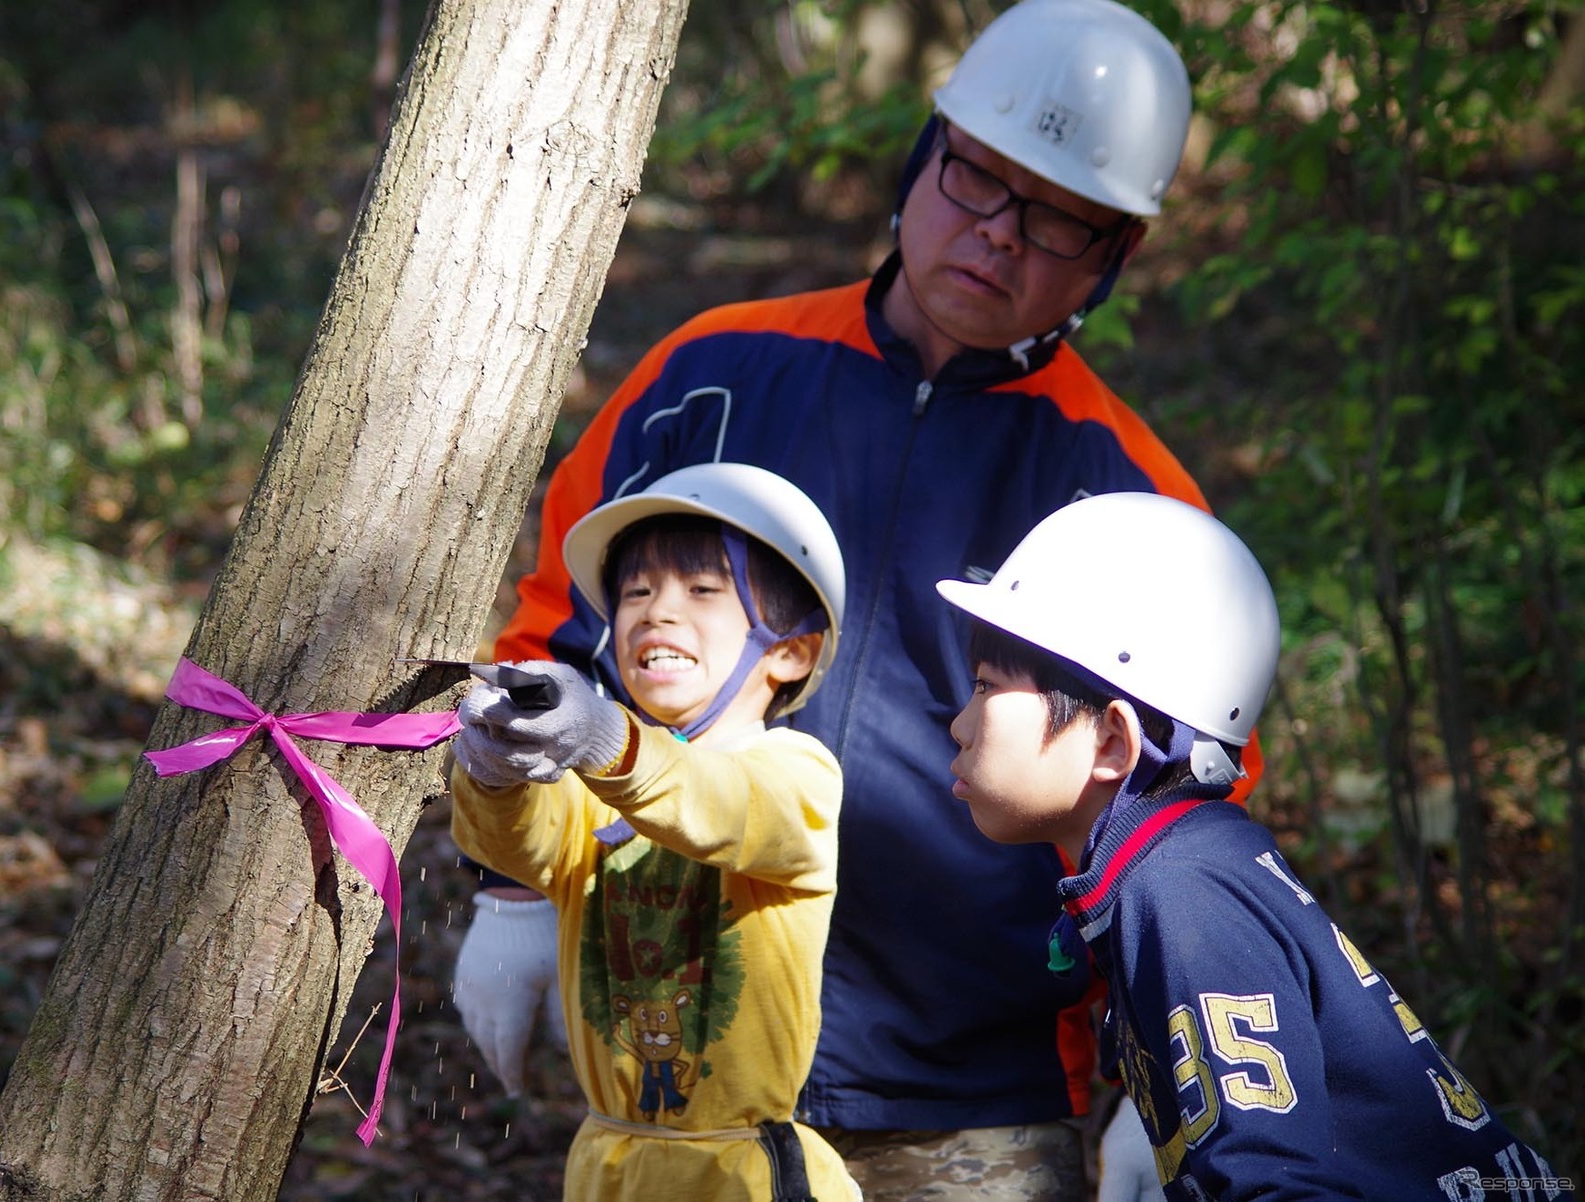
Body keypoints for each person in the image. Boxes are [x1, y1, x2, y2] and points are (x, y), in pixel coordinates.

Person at [456, 0, 1246, 1194]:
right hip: (684, 1058)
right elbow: (560, 626)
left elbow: (1179, 821)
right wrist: (515, 893)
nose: (998, 238)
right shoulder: (711, 374)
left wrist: (1163, 1078)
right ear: (922, 156)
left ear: (1115, 255)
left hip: (969, 1094)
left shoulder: (1126, 496)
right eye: (976, 184)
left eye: (1059, 223)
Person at [937, 492, 1573, 1202]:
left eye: (986, 688)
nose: (958, 724)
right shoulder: (1188, 865)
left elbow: (1272, 1187)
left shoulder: (1180, 891)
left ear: (1112, 741)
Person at [450, 462, 861, 1201]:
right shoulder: (597, 784)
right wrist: (494, 771)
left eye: (703, 591)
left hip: (742, 1175)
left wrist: (608, 739)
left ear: (789, 651)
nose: (657, 611)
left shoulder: (796, 772)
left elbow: (721, 805)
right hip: (610, 1162)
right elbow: (517, 845)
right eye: (636, 592)